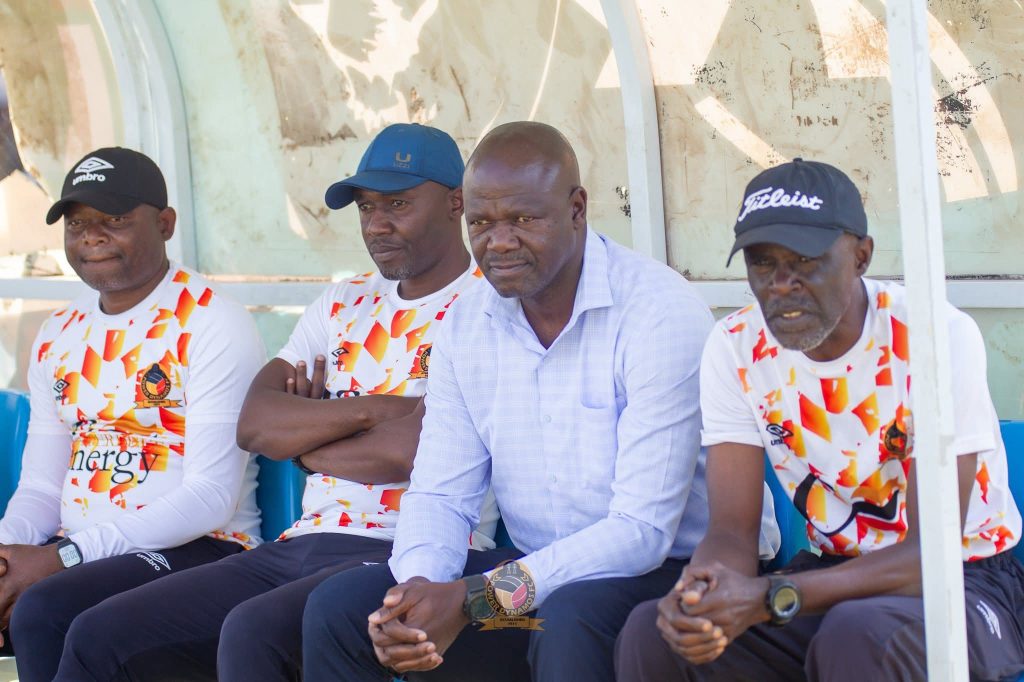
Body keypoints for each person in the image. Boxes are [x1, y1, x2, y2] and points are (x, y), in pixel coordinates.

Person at [300, 121, 779, 682]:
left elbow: (640, 533)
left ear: (577, 209)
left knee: (570, 619)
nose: (499, 242)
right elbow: (441, 494)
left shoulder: (656, 312)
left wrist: (475, 600)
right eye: (481, 223)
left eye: (523, 220)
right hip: (536, 577)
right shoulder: (467, 324)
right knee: (345, 609)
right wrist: (420, 592)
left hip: (668, 573)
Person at [54, 123, 497, 682]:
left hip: (411, 547)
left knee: (253, 630)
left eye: (398, 204)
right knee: (98, 634)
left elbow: (412, 451)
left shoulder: (487, 304)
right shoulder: (344, 301)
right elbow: (255, 424)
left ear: (456, 202)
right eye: (365, 207)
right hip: (302, 541)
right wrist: (374, 410)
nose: (376, 224)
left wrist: (307, 442)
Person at [615, 158, 1024, 682]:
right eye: (762, 263)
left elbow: (929, 555)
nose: (782, 284)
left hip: (965, 580)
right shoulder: (736, 347)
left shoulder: (934, 336)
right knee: (653, 632)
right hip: (830, 576)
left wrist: (771, 594)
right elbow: (732, 533)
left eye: (806, 260)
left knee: (856, 635)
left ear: (861, 256)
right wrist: (703, 592)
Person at [0, 147, 264, 682]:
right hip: (81, 552)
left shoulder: (212, 322)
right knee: (30, 599)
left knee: (48, 609)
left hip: (200, 549)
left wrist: (64, 558)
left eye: (114, 219)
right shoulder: (58, 333)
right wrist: (7, 557)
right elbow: (42, 487)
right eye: (77, 224)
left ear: (164, 224)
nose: (92, 237)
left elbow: (210, 498)